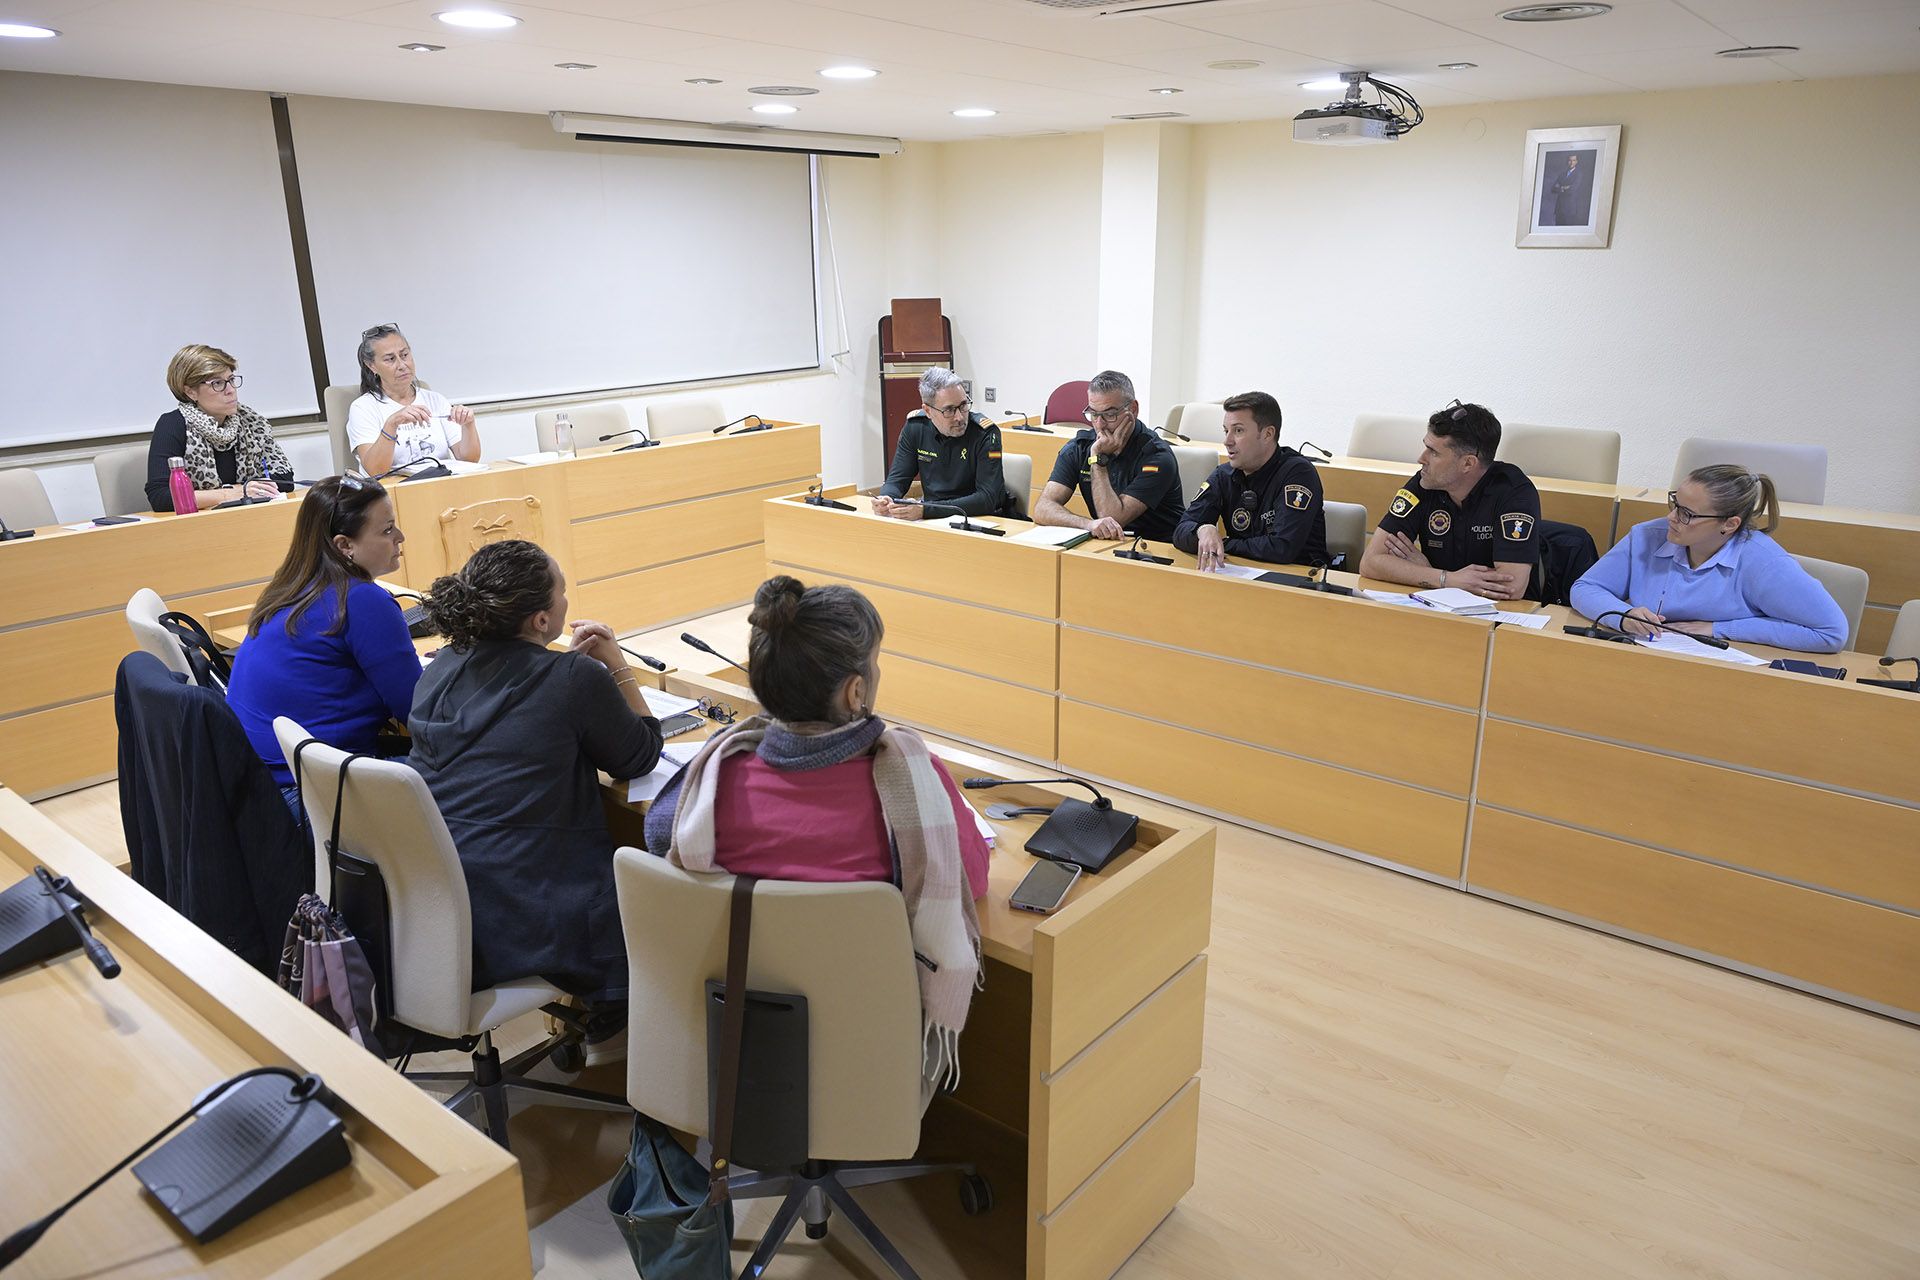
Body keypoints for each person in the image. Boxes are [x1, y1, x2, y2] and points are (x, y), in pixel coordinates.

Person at [645, 575, 988, 1090]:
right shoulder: (912, 781)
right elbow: (973, 880)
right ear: (855, 691)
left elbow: (656, 836)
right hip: (870, 1058)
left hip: (738, 1044)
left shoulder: (713, 780)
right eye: (874, 663)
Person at [410, 539, 662, 1000]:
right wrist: (617, 667)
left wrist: (568, 676)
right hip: (533, 912)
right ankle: (611, 1017)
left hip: (443, 906)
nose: (566, 598)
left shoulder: (439, 666)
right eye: (561, 590)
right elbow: (640, 755)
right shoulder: (572, 678)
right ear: (542, 620)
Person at [226, 476, 419, 812]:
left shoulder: (292, 587)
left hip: (259, 791)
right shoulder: (361, 601)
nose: (400, 537)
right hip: (307, 796)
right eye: (387, 530)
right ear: (345, 545)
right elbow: (419, 712)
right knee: (481, 779)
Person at [1570, 465, 1848, 652]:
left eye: (1687, 513)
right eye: (1674, 504)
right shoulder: (1647, 536)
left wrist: (1720, 629)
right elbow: (1585, 588)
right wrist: (1624, 616)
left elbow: (1830, 632)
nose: (1671, 517)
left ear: (1729, 524)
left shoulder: (1764, 562)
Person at [1359, 400, 1539, 601]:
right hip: (1437, 610)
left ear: (1468, 463)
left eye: (1434, 452)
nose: (1421, 458)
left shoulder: (1514, 492)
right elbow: (1371, 562)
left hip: (1502, 618)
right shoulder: (1424, 482)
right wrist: (1446, 578)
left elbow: (1509, 587)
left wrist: (1426, 572)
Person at [1173, 390, 1327, 570]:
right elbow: (1180, 531)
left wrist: (1222, 543)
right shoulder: (1224, 475)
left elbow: (1282, 548)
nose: (1227, 441)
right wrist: (1202, 530)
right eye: (1225, 431)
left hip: (1299, 582)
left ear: (1268, 434)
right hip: (1242, 575)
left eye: (1238, 431)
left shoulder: (1298, 473)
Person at [1033, 369, 1184, 542]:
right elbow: (1042, 508)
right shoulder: (1079, 447)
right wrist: (1087, 525)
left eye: (1110, 414)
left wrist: (1098, 460)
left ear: (1133, 409)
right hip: (1108, 545)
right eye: (1094, 414)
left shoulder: (1157, 456)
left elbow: (1114, 518)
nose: (1099, 425)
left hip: (1158, 549)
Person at [146, 344, 292, 511]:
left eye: (231, 380)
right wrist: (232, 493)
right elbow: (161, 496)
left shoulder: (250, 421)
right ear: (190, 392)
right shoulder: (173, 424)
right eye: (217, 383)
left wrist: (248, 490)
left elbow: (285, 478)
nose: (230, 390)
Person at [873, 368, 1012, 521]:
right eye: (949, 410)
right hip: (933, 518)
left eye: (963, 405)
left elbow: (988, 498)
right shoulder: (915, 428)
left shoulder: (987, 434)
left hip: (980, 519)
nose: (959, 417)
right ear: (927, 411)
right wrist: (886, 498)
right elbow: (897, 479)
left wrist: (926, 510)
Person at [345, 323, 480, 475]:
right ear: (372, 366)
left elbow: (469, 461)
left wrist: (468, 425)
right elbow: (375, 471)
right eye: (390, 359)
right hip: (393, 493)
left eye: (404, 355)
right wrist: (392, 424)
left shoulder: (436, 400)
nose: (402, 365)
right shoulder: (363, 408)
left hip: (439, 486)